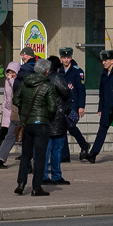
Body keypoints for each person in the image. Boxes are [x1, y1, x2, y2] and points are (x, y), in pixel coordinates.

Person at [12, 55, 59, 196]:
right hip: (41, 123)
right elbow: (52, 108)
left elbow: (16, 99)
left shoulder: (25, 82)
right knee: (39, 156)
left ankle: (21, 184)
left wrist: (25, 110)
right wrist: (46, 117)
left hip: (26, 123)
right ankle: (36, 187)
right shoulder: (48, 86)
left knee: (25, 155)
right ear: (46, 72)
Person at [85, 49, 113, 164]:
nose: (103, 63)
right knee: (102, 131)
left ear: (111, 60)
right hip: (106, 109)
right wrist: (100, 108)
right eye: (103, 61)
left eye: (105, 60)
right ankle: (93, 154)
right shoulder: (104, 75)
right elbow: (102, 93)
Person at [56, 47, 89, 162]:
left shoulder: (77, 71)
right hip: (61, 105)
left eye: (68, 57)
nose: (66, 60)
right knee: (66, 127)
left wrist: (81, 107)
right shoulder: (58, 70)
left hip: (73, 105)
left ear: (71, 58)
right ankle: (82, 145)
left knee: (68, 126)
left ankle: (70, 152)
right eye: (64, 58)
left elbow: (81, 91)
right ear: (61, 58)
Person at [44, 56, 72, 185]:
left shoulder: (43, 78)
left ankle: (43, 175)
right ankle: (56, 175)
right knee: (57, 149)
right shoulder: (57, 77)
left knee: (45, 149)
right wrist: (69, 90)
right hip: (57, 117)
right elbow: (65, 92)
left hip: (45, 117)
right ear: (57, 67)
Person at [0, 61, 21, 167]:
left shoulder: (15, 82)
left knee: (13, 136)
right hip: (13, 111)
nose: (11, 75)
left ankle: (0, 158)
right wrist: (3, 109)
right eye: (9, 72)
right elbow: (5, 96)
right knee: (10, 135)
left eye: (13, 72)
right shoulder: (8, 82)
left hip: (16, 111)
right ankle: (0, 158)